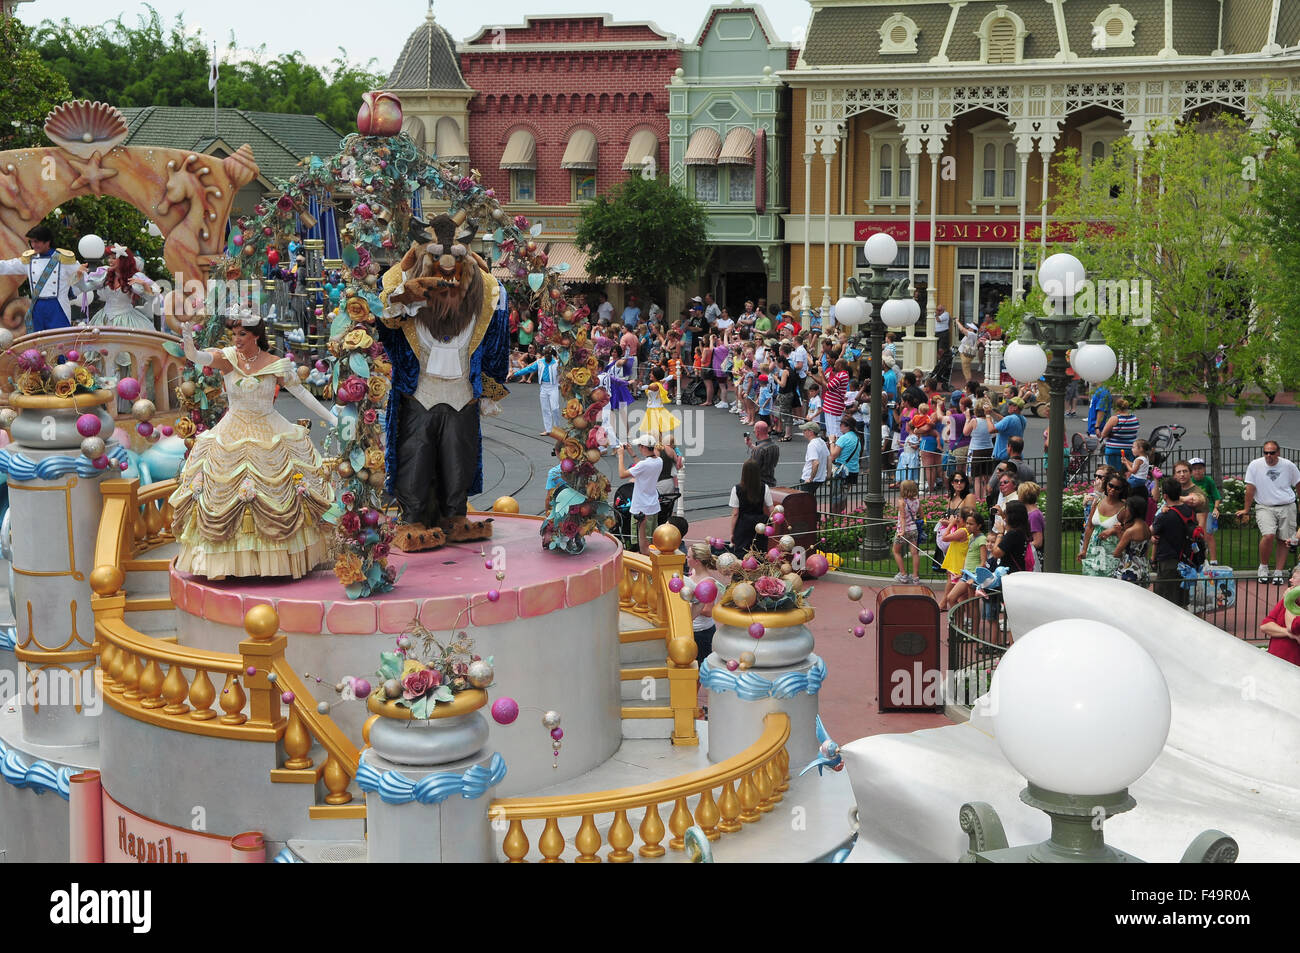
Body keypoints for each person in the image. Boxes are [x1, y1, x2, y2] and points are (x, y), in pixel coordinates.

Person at [169, 315, 336, 579]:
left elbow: (302, 393)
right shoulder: (227, 358)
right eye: (234, 334)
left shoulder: (276, 364)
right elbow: (197, 357)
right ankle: (228, 564)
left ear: (256, 335)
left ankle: (278, 561)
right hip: (231, 430)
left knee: (283, 488)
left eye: (242, 335)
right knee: (220, 489)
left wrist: (331, 417)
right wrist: (188, 340)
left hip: (270, 427)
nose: (236, 340)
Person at [1236, 440, 1300, 584]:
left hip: (1287, 505)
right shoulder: (1255, 465)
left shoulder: (1289, 465)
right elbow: (1250, 488)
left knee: (1284, 540)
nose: (1269, 455)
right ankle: (1263, 567)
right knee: (1268, 535)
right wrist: (1246, 509)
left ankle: (1278, 571)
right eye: (1266, 452)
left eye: (1272, 452)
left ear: (1278, 452)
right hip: (1264, 505)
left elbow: (1298, 484)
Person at [0, 225, 85, 331]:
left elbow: (82, 276)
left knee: (60, 342)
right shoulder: (30, 260)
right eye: (31, 242)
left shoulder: (63, 260)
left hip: (58, 309)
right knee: (38, 342)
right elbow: (7, 266)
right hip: (37, 309)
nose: (33, 245)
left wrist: (70, 291)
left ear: (47, 242)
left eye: (36, 241)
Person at [75, 246, 160, 329]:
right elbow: (85, 288)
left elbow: (151, 298)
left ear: (123, 261)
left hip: (127, 321)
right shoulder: (105, 274)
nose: (109, 261)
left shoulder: (134, 277)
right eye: (109, 258)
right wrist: (79, 275)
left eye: (114, 258)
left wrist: (144, 285)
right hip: (104, 319)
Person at [1151, 477, 1195, 607]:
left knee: (1164, 602)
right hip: (1186, 562)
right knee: (1181, 601)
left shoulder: (1164, 515)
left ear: (1165, 496)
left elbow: (1149, 532)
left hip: (1168, 563)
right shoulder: (1189, 511)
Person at [617, 435, 662, 554]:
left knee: (643, 543)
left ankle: (646, 564)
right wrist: (632, 454)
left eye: (639, 446)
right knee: (651, 539)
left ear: (643, 447)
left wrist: (621, 455)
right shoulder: (658, 461)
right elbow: (642, 466)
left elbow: (622, 474)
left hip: (641, 507)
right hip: (652, 504)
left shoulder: (645, 465)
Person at [1078, 472, 1127, 577]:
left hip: (1110, 554)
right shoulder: (1097, 502)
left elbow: (1126, 534)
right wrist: (1084, 550)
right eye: (1111, 485)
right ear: (1106, 485)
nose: (1113, 489)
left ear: (1121, 490)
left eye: (1117, 488)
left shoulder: (1124, 509)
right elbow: (1090, 527)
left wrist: (1115, 530)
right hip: (1093, 551)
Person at [941, 510, 989, 611]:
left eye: (971, 524)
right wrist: (962, 573)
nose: (968, 526)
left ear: (979, 526)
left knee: (971, 604)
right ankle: (961, 621)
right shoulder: (971, 536)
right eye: (967, 523)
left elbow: (983, 562)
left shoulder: (980, 538)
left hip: (973, 575)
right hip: (965, 573)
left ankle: (969, 623)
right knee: (954, 598)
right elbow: (968, 555)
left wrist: (975, 578)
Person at [510, 346, 561, 435]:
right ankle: (548, 429)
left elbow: (565, 371)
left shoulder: (557, 363)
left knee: (555, 408)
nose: (547, 356)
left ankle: (557, 429)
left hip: (553, 387)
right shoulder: (540, 362)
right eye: (546, 354)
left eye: (549, 354)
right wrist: (515, 374)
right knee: (545, 409)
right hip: (544, 387)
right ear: (544, 355)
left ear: (552, 355)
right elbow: (528, 369)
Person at [1258, 564, 1300, 667]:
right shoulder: (1285, 600)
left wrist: (1289, 601)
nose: (1290, 580)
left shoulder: (1287, 599)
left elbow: (1293, 627)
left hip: (1294, 667)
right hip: (1274, 662)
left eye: (1294, 578)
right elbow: (1265, 625)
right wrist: (1287, 633)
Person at [729, 458, 773, 554]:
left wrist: (732, 532)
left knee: (742, 554)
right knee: (760, 552)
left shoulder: (736, 489)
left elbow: (735, 514)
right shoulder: (764, 487)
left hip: (743, 525)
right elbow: (771, 509)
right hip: (760, 525)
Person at [1108, 496, 1151, 586]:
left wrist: (1118, 533)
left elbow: (1117, 553)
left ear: (1131, 510)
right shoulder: (1146, 527)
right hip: (1142, 566)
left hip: (1129, 568)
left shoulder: (1130, 531)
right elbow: (1140, 549)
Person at [1188, 457, 1222, 564]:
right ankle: (1195, 557)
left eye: (1200, 468)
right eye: (1195, 469)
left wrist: (1216, 508)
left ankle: (1213, 559)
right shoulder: (1189, 482)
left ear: (1204, 469)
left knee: (1208, 534)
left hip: (1207, 509)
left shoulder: (1208, 481)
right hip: (1192, 511)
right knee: (1192, 535)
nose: (1197, 471)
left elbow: (1216, 496)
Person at [891, 479, 922, 584]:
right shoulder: (918, 501)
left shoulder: (902, 502)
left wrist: (902, 531)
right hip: (914, 530)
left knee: (895, 551)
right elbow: (921, 516)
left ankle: (903, 575)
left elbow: (903, 518)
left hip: (903, 531)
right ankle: (915, 577)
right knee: (914, 553)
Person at [1099, 396, 1140, 472]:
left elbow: (1103, 434)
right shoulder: (1134, 418)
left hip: (1114, 449)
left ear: (1116, 408)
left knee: (1114, 472)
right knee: (1127, 471)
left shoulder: (1115, 419)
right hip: (1129, 449)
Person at [640, 366, 680, 441]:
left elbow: (648, 387)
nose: (650, 375)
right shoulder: (658, 382)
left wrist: (640, 386)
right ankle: (660, 446)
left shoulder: (655, 385)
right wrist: (670, 377)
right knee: (656, 431)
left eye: (651, 373)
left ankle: (660, 446)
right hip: (653, 409)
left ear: (656, 375)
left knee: (655, 431)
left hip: (655, 410)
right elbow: (664, 380)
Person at [988, 396, 1026, 464]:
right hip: (1015, 455)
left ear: (1016, 407)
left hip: (1003, 457)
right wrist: (991, 412)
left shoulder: (1009, 419)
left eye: (1010, 404)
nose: (1008, 405)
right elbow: (1003, 420)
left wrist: (987, 416)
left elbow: (991, 430)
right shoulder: (1022, 419)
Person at [745, 420, 780, 487]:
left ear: (757, 432)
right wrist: (751, 446)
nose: (754, 433)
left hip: (759, 485)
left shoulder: (759, 449)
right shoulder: (775, 446)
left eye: (754, 431)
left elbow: (753, 469)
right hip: (771, 482)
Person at [800, 421, 830, 494]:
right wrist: (828, 475)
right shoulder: (821, 442)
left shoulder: (812, 445)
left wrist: (810, 479)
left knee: (805, 502)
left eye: (805, 430)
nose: (803, 432)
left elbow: (816, 463)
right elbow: (829, 458)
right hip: (820, 478)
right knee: (810, 501)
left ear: (811, 432)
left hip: (809, 479)